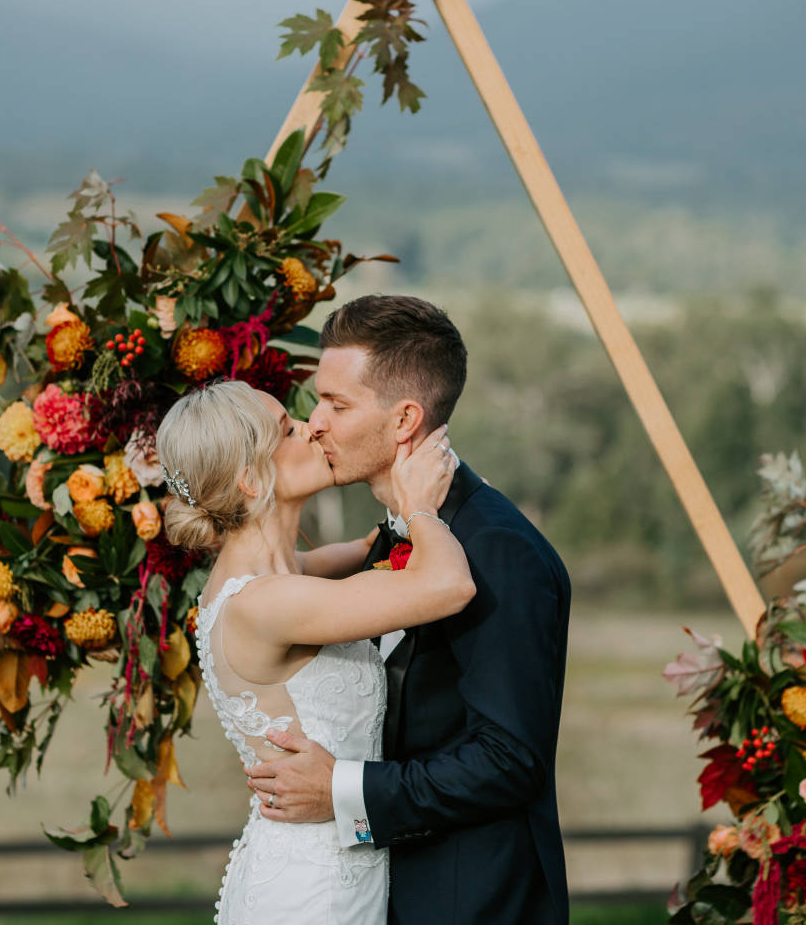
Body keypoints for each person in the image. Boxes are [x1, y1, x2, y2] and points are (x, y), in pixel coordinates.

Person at [242, 295, 573, 924]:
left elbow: (509, 759)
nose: (315, 424)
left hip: (470, 902)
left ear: (404, 421)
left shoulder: (495, 549)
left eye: (337, 405)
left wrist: (339, 788)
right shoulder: (397, 535)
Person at [156, 379, 472, 925]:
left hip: (332, 864)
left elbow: (369, 550)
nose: (313, 428)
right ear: (251, 478)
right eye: (288, 429)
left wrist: (407, 491)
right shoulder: (268, 603)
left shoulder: (280, 575)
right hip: (314, 892)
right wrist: (420, 506)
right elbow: (449, 586)